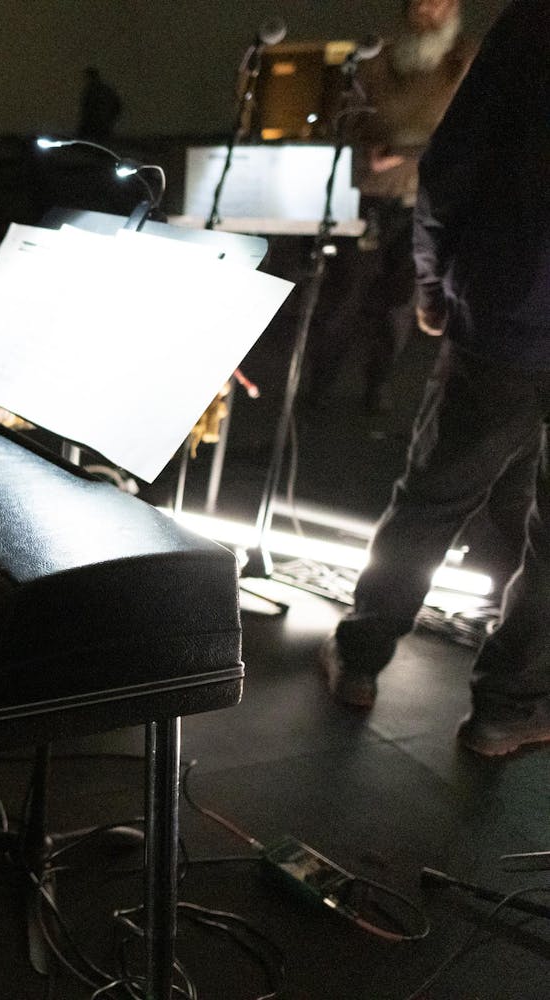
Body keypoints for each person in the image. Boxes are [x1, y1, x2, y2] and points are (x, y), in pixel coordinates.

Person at [320, 0, 550, 758]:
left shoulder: (533, 23)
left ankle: (360, 661)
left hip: (510, 312)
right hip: (514, 308)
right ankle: (507, 712)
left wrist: (432, 282)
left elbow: (453, 166)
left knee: (434, 497)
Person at [304, 0, 476, 412]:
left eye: (438, 2)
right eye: (420, 2)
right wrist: (368, 150)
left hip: (424, 202)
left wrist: (405, 153)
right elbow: (343, 119)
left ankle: (377, 385)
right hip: (368, 197)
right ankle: (318, 386)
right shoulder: (376, 60)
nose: (427, 10)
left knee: (399, 302)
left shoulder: (462, 62)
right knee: (343, 294)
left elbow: (469, 131)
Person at [76, 67, 122, 140]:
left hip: (95, 123)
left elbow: (88, 107)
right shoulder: (105, 89)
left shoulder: (93, 90)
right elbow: (116, 106)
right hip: (101, 123)